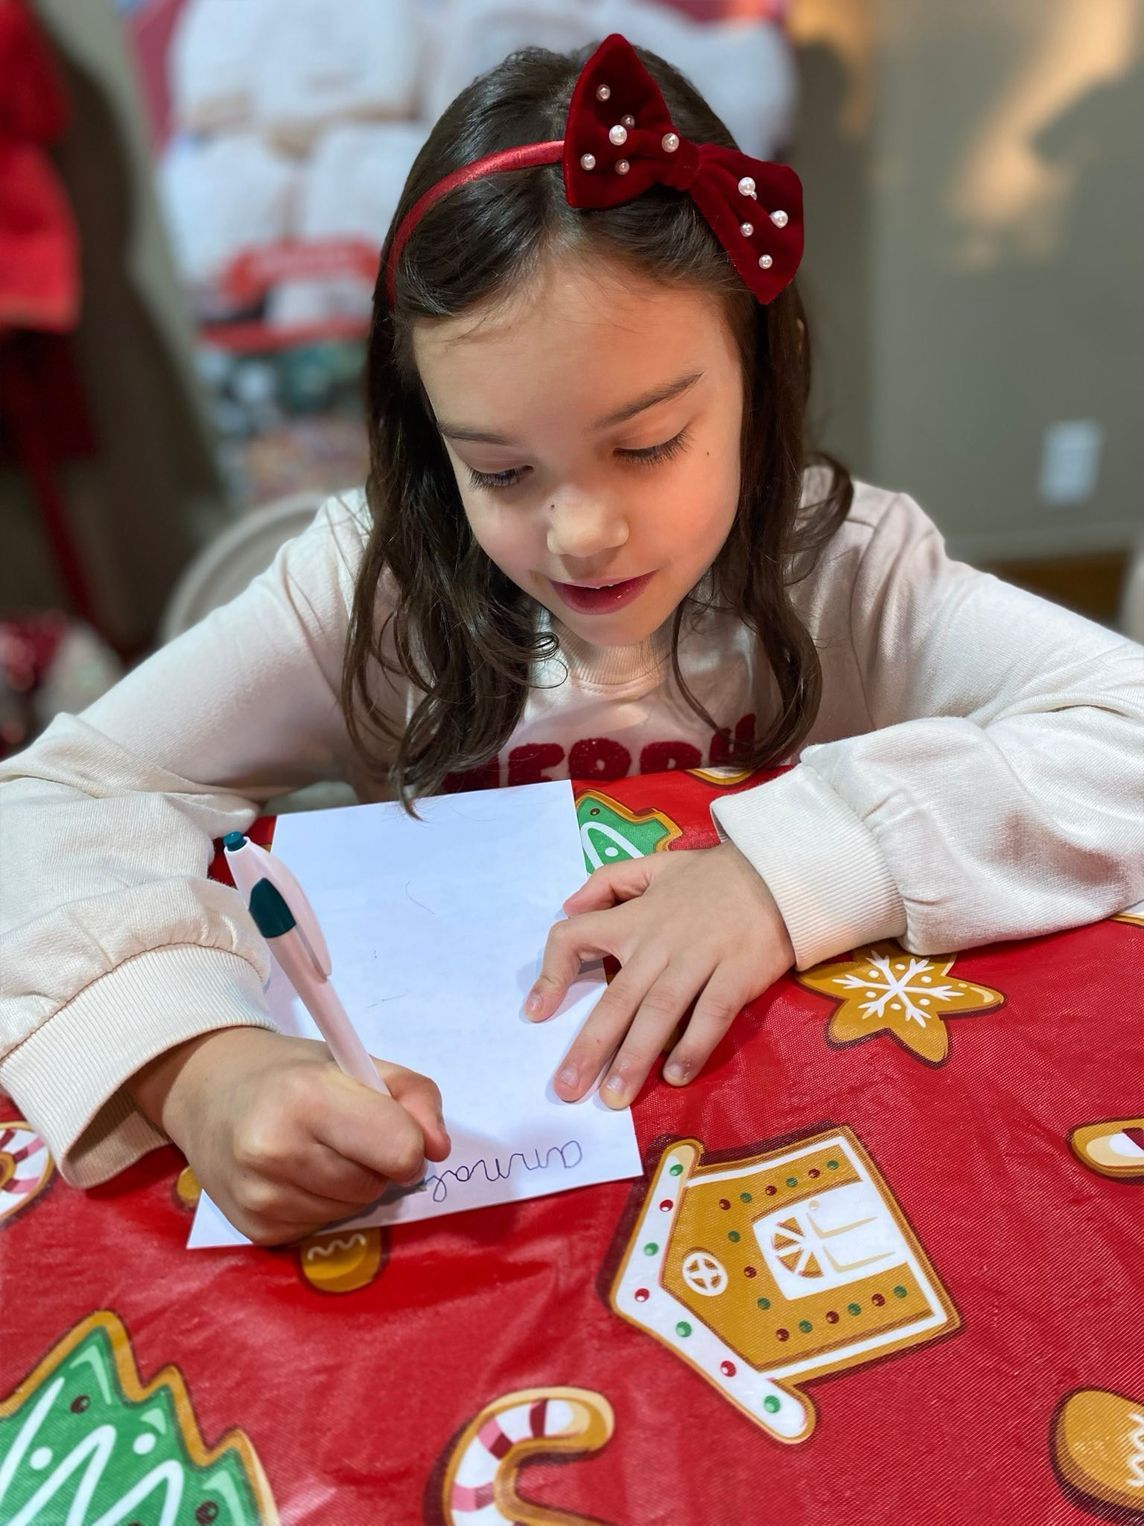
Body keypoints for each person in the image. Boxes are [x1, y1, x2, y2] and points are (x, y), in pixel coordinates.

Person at [2, 36, 1141, 1247]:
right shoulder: (367, 586)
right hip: (479, 1202)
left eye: (647, 446)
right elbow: (52, 798)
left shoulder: (845, 567)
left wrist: (796, 864)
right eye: (500, 468)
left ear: (763, 371)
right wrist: (199, 1062)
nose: (583, 534)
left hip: (793, 1172)